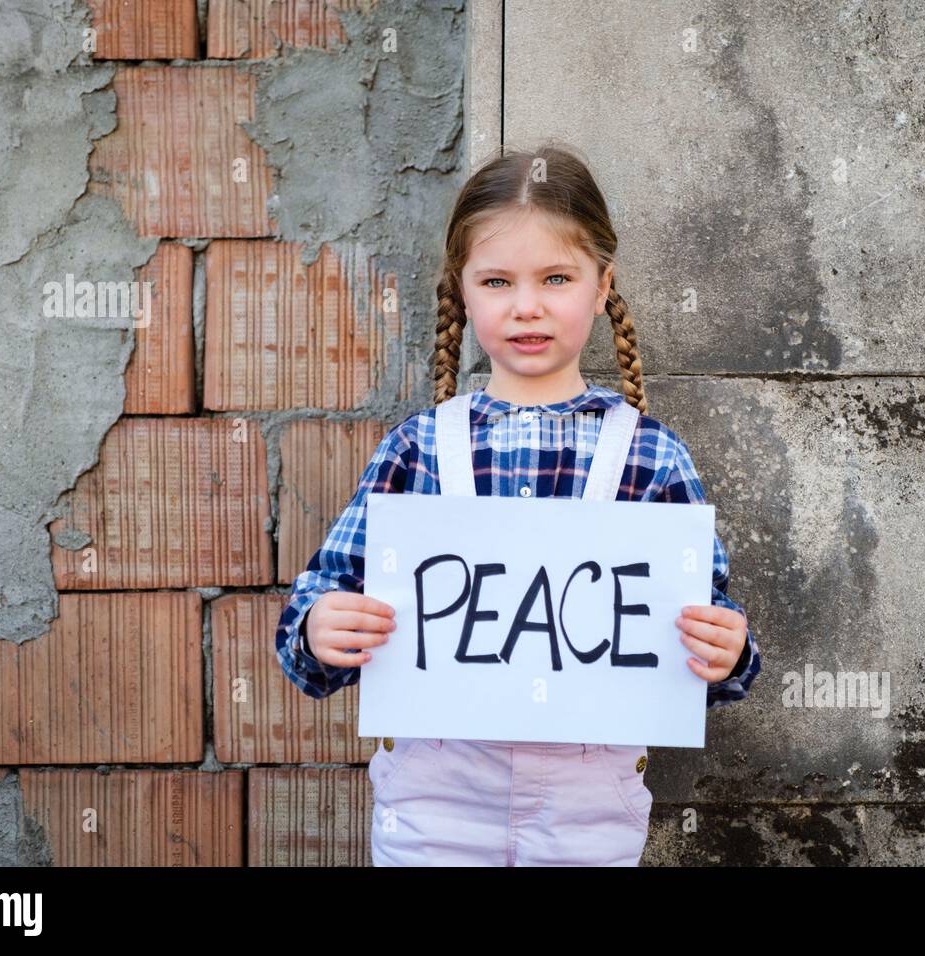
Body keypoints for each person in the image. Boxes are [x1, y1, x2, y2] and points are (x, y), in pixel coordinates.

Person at [274, 142, 761, 866]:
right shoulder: (416, 449)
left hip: (589, 813)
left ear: (601, 287)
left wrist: (726, 652)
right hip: (434, 807)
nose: (526, 306)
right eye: (497, 280)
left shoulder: (653, 457)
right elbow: (314, 613)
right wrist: (320, 627)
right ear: (462, 293)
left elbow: (707, 641)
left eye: (556, 278)